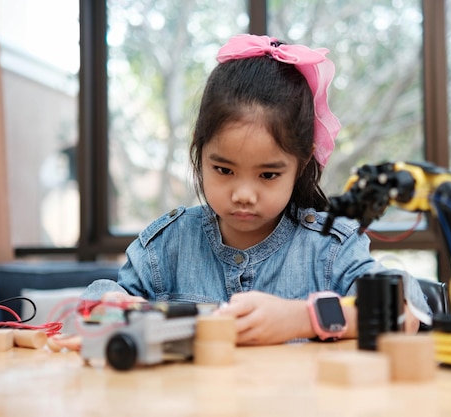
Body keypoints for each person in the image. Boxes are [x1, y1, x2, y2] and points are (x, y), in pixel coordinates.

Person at [82, 34, 431, 345]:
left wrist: (303, 319)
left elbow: (403, 311)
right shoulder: (166, 247)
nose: (243, 194)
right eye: (223, 170)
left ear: (302, 162)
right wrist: (112, 309)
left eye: (267, 175)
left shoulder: (330, 250)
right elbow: (99, 306)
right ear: (198, 149)